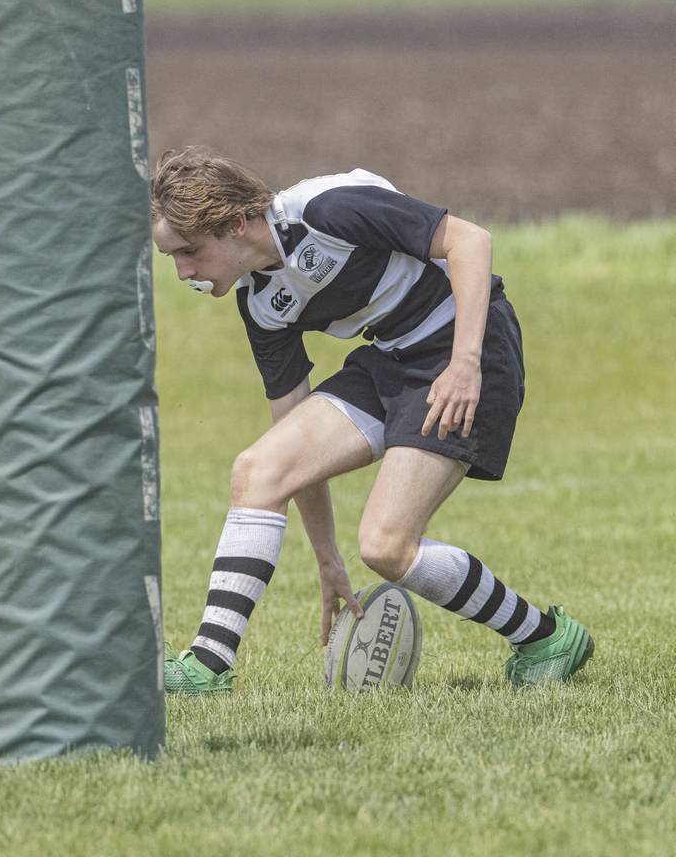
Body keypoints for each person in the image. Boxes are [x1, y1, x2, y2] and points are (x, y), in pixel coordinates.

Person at [151, 145, 593, 694]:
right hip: (391, 358)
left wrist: (465, 365)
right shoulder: (261, 305)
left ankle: (545, 637)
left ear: (236, 224)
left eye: (189, 251)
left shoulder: (327, 209)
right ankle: (207, 665)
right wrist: (326, 558)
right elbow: (294, 443)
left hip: (467, 349)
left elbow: (471, 241)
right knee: (259, 469)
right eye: (172, 258)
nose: (182, 271)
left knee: (387, 546)